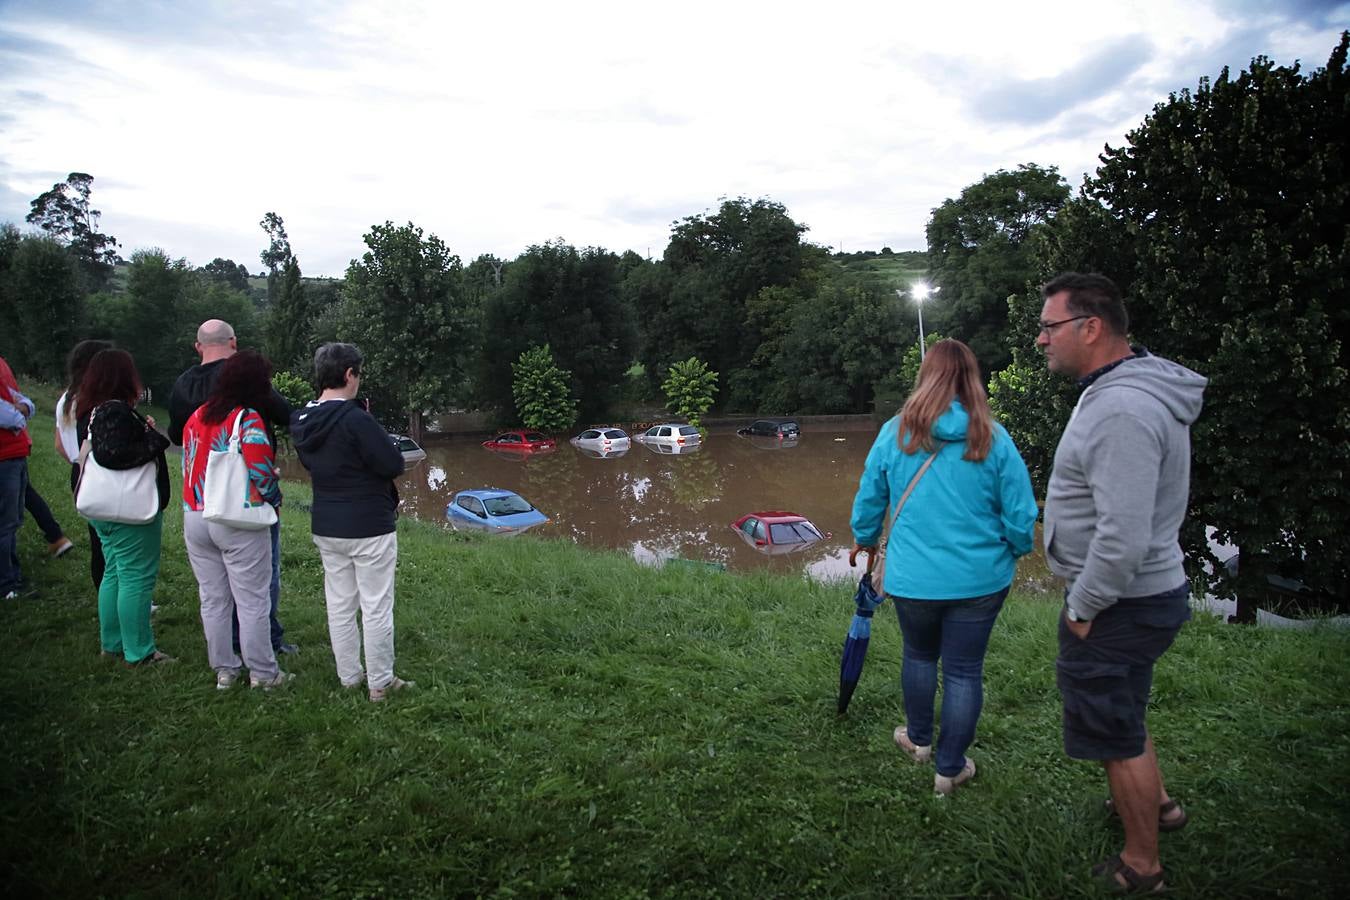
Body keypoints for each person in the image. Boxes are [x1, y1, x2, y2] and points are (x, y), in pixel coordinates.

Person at [1038, 273, 1206, 894]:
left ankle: (1142, 865)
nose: (1040, 339)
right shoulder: (1120, 389)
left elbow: (1123, 536)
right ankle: (1157, 805)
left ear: (1091, 327)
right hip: (1135, 599)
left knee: (1113, 730)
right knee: (1124, 709)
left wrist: (1083, 605)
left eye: (1049, 325)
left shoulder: (1122, 408)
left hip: (1119, 602)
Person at [849, 339, 1039, 795]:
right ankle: (949, 769)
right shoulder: (993, 436)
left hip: (913, 579)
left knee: (918, 656)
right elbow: (1021, 512)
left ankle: (917, 741)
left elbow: (870, 497)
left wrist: (864, 538)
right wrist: (1014, 548)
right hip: (981, 579)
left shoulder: (897, 432)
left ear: (926, 376)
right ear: (971, 379)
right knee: (963, 670)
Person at [291, 342, 412, 702]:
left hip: (328, 524)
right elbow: (393, 464)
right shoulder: (357, 419)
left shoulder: (302, 421)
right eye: (358, 373)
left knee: (340, 604)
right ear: (349, 374)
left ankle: (349, 678)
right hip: (368, 525)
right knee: (375, 605)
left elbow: (315, 464)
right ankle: (380, 682)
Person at [168, 319, 296, 655]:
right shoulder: (247, 391)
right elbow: (287, 416)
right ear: (234, 342)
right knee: (259, 582)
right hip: (243, 497)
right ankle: (265, 649)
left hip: (197, 501)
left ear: (198, 347)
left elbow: (175, 436)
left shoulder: (184, 389)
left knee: (214, 593)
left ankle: (224, 662)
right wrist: (274, 497)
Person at [76, 349, 173, 665]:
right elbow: (115, 454)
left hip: (102, 509)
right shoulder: (115, 412)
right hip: (130, 512)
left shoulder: (96, 411)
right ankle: (140, 651)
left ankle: (112, 643)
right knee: (136, 577)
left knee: (115, 573)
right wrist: (154, 438)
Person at [56, 339, 114, 588]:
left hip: (79, 472)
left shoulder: (66, 399)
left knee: (97, 540)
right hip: (101, 472)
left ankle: (104, 594)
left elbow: (59, 443)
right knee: (115, 543)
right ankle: (120, 594)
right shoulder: (95, 402)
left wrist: (77, 464)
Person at [1, 356, 35, 600]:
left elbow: (26, 404)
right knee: (5, 523)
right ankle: (7, 584)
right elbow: (12, 417)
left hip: (16, 453)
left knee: (13, 520)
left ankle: (13, 575)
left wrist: (18, 409)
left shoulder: (2, 364)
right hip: (3, 457)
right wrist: (18, 412)